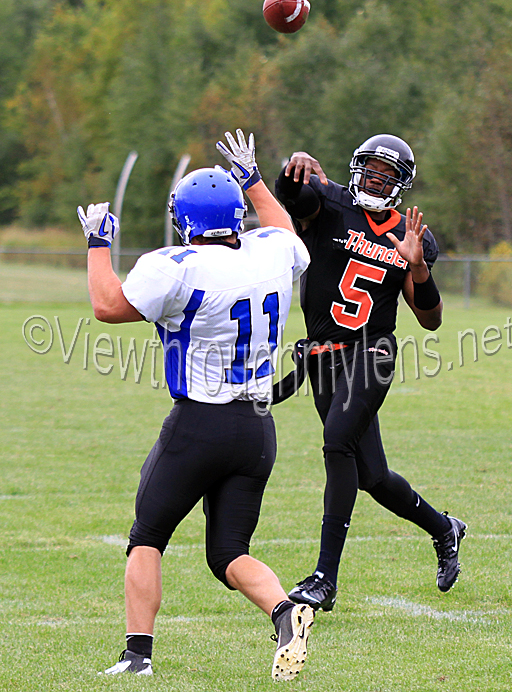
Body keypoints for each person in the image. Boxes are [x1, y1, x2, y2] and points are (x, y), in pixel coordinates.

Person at [77, 130, 315, 681]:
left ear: (184, 219)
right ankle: (285, 611)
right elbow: (281, 229)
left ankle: (137, 656)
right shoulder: (271, 250)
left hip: (200, 424)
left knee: (147, 536)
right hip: (258, 429)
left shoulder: (176, 265)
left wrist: (97, 243)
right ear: (236, 216)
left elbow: (107, 306)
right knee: (228, 551)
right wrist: (253, 179)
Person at [273, 134, 467, 612]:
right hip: (323, 355)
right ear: (356, 168)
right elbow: (292, 196)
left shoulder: (409, 233)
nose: (377, 178)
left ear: (400, 184)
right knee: (371, 476)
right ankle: (445, 528)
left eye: (388, 173)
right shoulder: (330, 203)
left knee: (337, 442)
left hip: (371, 353)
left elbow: (432, 318)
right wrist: (292, 168)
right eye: (371, 169)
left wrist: (418, 268)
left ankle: (324, 578)